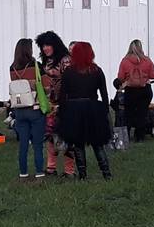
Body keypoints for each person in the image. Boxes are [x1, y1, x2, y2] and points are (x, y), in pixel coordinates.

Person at [58, 42, 112, 180]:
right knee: (97, 143)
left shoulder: (69, 72)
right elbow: (104, 94)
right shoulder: (97, 70)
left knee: (78, 144)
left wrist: (63, 112)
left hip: (73, 110)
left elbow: (62, 95)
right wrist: (104, 110)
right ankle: (107, 174)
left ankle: (82, 175)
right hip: (93, 108)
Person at [35, 31, 75, 178]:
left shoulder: (65, 60)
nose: (45, 48)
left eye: (48, 45)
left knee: (67, 137)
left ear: (55, 45)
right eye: (42, 45)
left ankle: (69, 170)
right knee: (50, 136)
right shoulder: (46, 61)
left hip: (65, 104)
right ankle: (51, 168)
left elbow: (71, 82)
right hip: (49, 104)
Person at [9, 38, 46, 180]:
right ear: (28, 50)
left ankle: (23, 173)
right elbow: (46, 85)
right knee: (37, 144)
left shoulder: (12, 68)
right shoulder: (36, 65)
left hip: (19, 109)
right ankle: (39, 173)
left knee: (23, 144)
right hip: (35, 109)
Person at [117, 39, 154, 142]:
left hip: (130, 90)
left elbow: (120, 77)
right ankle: (140, 137)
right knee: (142, 113)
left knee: (129, 113)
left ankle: (126, 137)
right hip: (145, 89)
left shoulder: (125, 61)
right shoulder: (147, 60)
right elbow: (153, 75)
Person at [109, 78, 129, 151]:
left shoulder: (117, 94)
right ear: (120, 86)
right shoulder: (121, 95)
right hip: (121, 113)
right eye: (123, 83)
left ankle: (119, 143)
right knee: (122, 127)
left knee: (118, 127)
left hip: (118, 113)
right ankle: (121, 143)